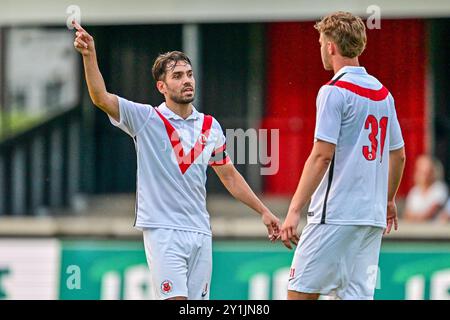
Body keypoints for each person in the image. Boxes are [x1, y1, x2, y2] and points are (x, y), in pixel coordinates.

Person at [72, 21, 280, 300]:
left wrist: (263, 211)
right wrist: (90, 56)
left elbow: (229, 176)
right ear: (162, 86)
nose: (187, 80)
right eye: (178, 75)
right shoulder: (146, 118)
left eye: (190, 74)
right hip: (162, 230)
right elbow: (100, 97)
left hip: (200, 231)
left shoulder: (210, 126)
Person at [280, 12, 406, 300]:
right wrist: (388, 199)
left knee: (300, 294)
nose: (321, 48)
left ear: (331, 47)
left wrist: (295, 209)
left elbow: (322, 156)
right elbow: (398, 155)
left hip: (335, 214)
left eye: (321, 41)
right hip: (371, 218)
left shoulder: (334, 92)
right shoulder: (384, 94)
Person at [403, 155, 448, 222]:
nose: (424, 175)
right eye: (421, 171)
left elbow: (429, 214)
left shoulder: (439, 188)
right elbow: (406, 215)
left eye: (427, 172)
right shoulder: (414, 191)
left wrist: (414, 217)